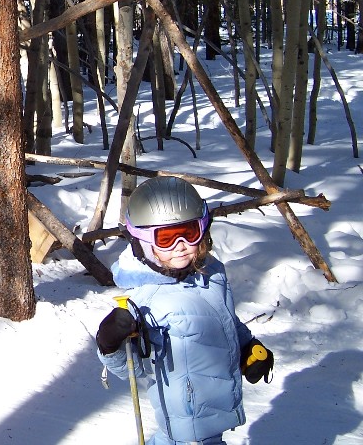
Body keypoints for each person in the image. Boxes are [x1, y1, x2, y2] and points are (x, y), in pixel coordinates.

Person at [96, 177, 273, 445]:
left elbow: (225, 320)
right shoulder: (145, 297)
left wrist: (247, 346)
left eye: (188, 233)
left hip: (218, 407)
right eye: (166, 237)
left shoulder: (212, 274)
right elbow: (135, 370)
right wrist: (110, 344)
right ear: (143, 241)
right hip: (183, 421)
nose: (180, 244)